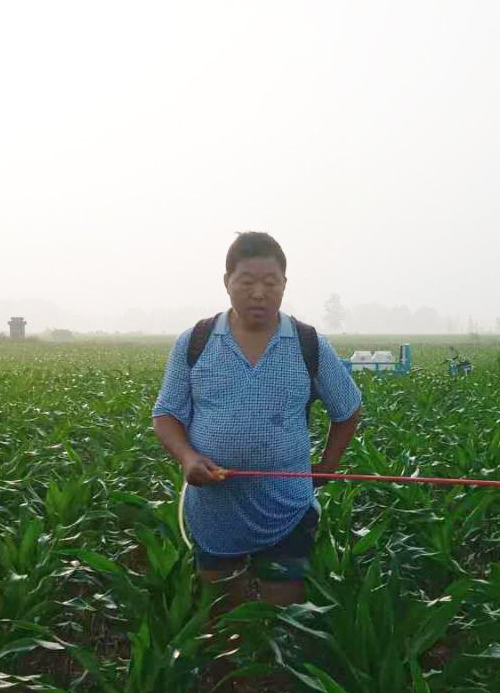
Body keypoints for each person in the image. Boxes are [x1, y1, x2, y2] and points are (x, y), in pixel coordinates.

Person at [152, 232, 362, 615]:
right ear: (227, 281)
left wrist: (328, 466)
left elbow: (347, 410)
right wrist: (187, 458)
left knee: (284, 613)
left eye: (271, 282)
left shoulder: (308, 343)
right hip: (214, 509)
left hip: (287, 506)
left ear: (285, 284)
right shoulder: (195, 342)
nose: (259, 294)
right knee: (222, 609)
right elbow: (166, 414)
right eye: (247, 282)